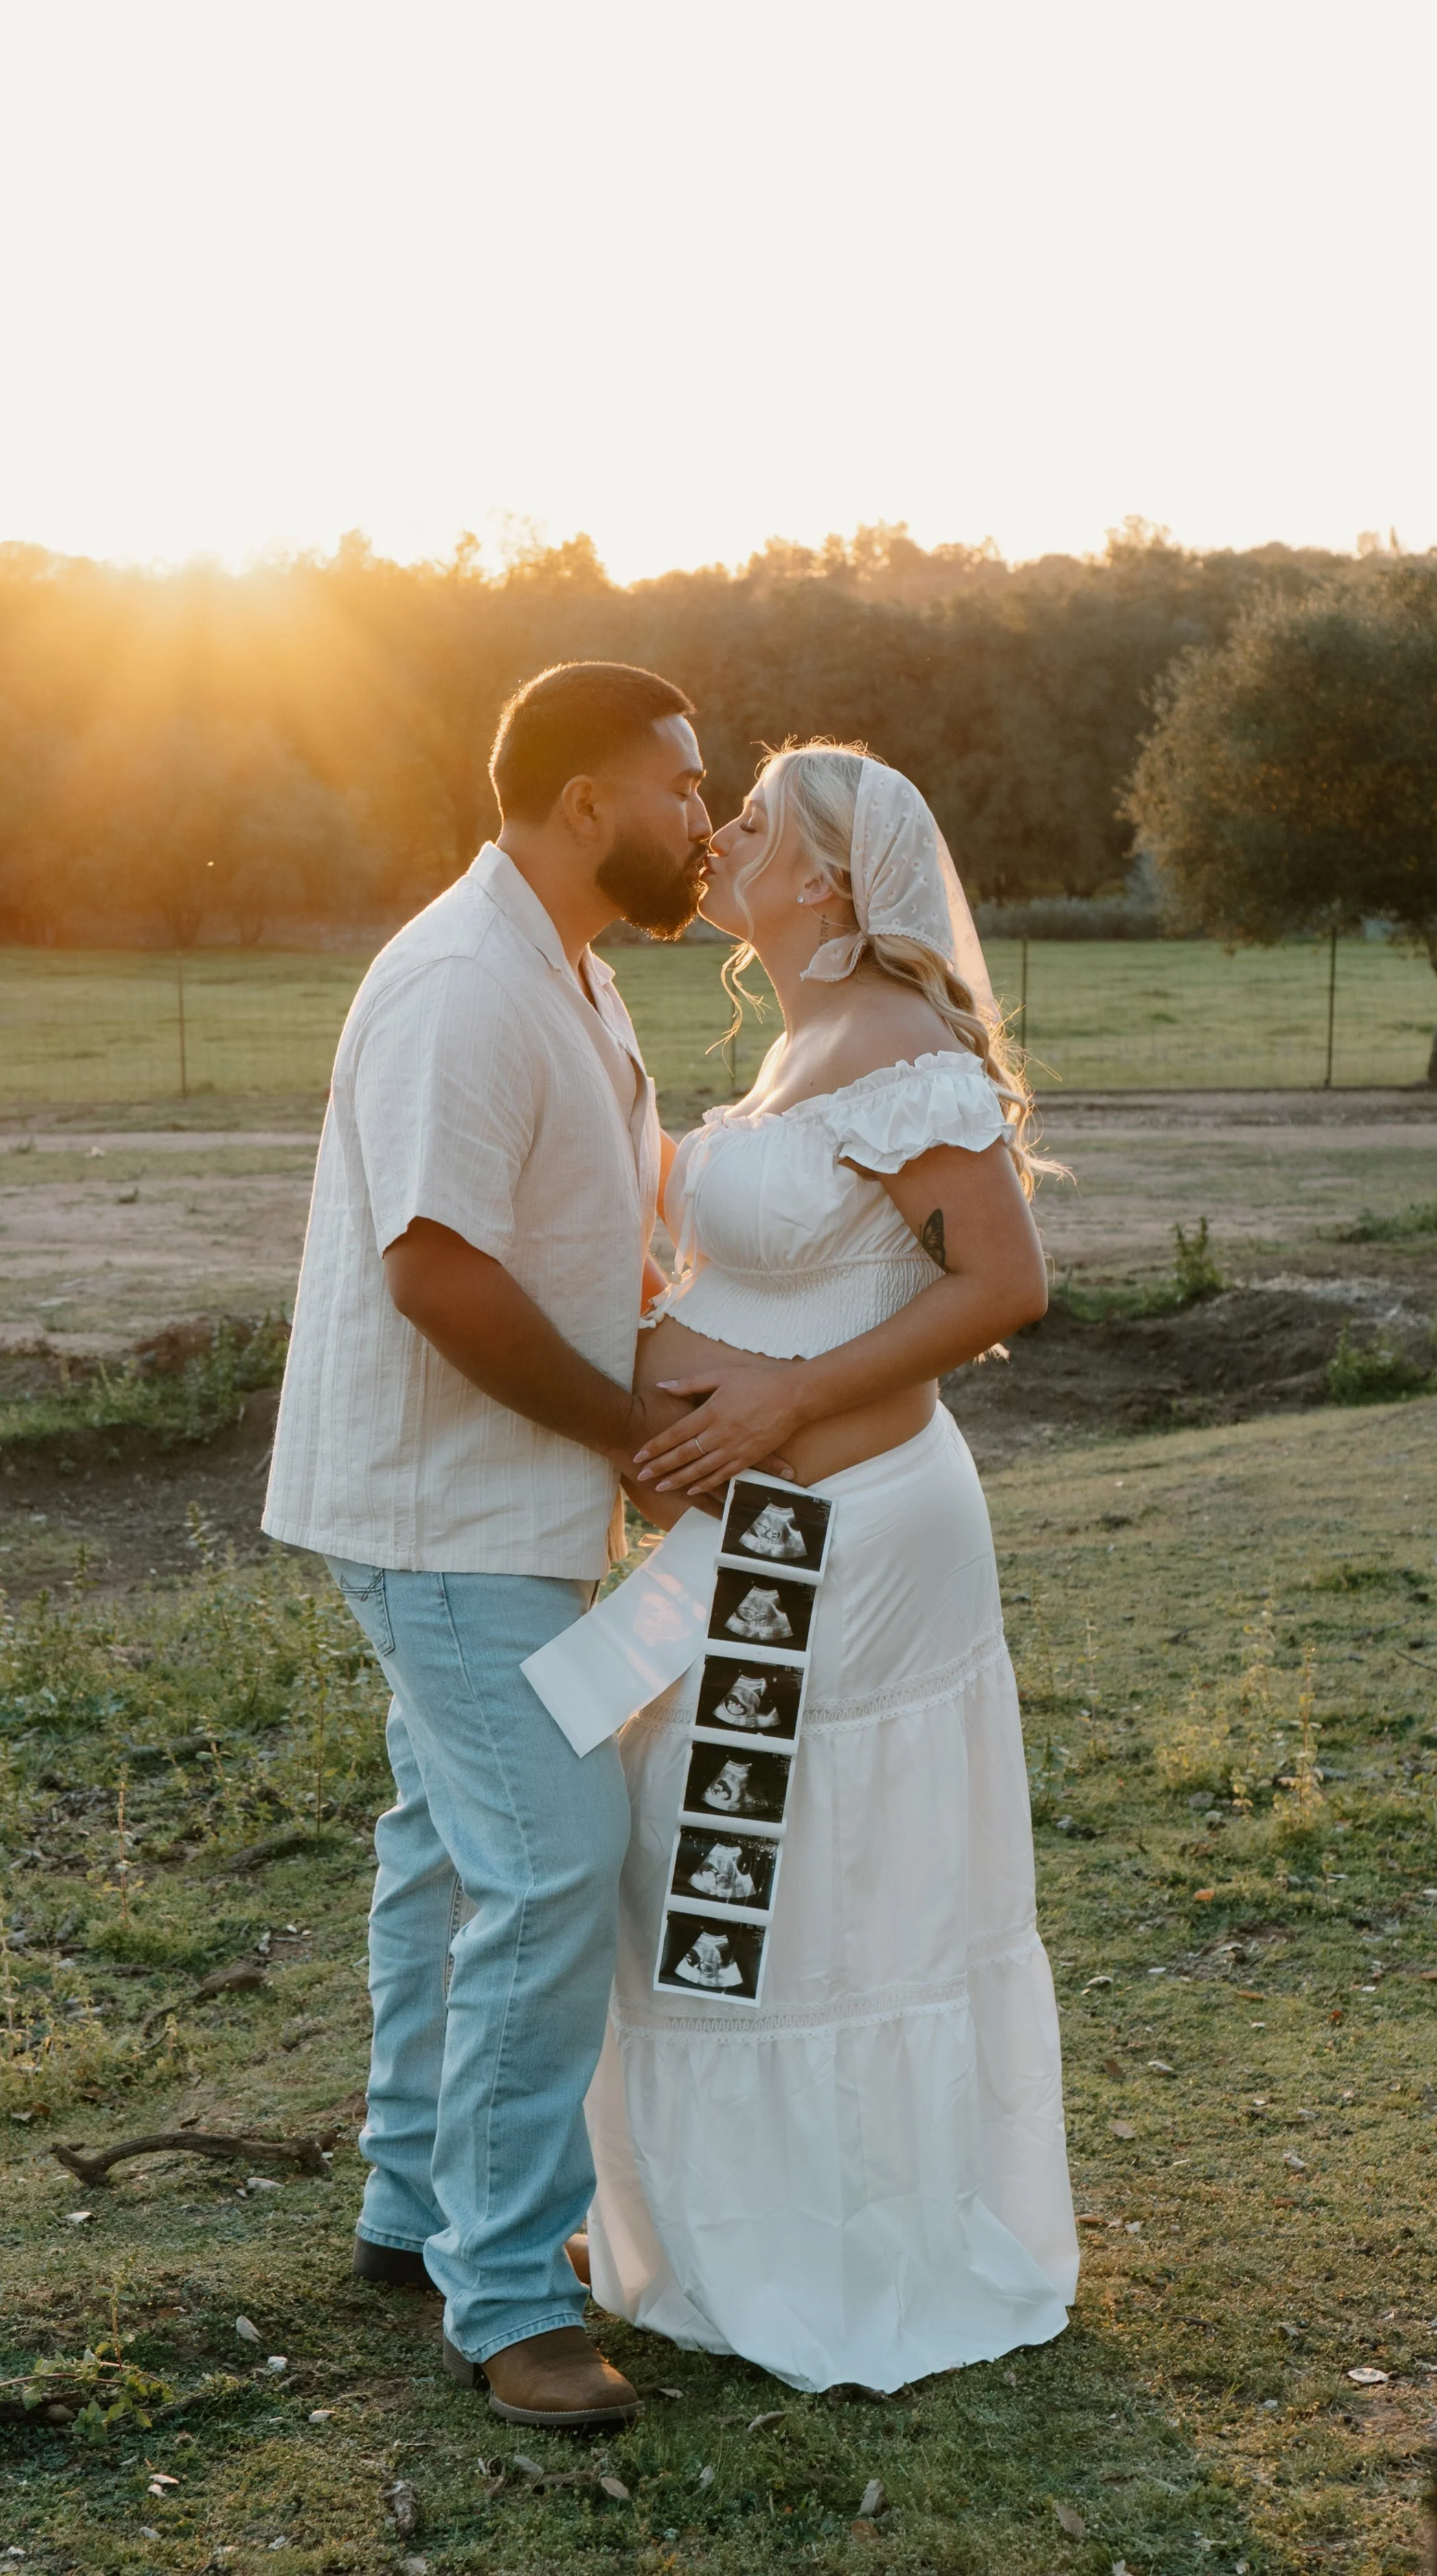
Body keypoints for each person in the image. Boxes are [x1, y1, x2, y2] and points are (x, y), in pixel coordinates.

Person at [261, 660, 748, 2434]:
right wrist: (634, 1431)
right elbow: (436, 1269)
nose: (705, 819)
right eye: (681, 788)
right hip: (434, 1506)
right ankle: (507, 2290)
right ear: (580, 803)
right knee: (552, 1847)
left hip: (514, 1503)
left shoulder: (575, 977)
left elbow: (583, 1247)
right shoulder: (462, 986)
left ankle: (413, 2198)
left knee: (441, 1840)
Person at [580, 743, 1080, 2396]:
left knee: (799, 1873)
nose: (719, 839)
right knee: (716, 1863)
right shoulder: (795, 1041)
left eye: (753, 826)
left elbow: (1001, 1281)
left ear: (828, 881)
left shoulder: (898, 1046)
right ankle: (728, 2219)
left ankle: (834, 2240)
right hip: (757, 1536)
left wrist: (781, 1400)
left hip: (844, 1537)